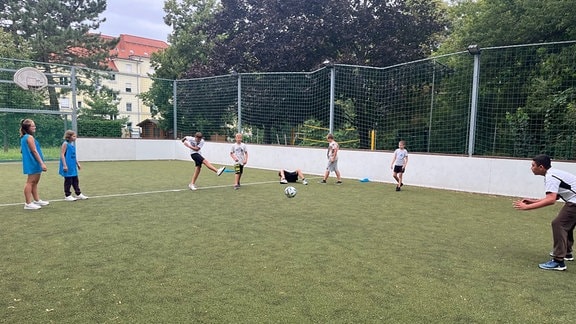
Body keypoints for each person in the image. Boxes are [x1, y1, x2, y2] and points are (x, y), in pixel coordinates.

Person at [513, 154, 576, 271]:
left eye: (533, 165)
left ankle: (558, 262)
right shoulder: (554, 173)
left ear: (541, 167)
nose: (531, 168)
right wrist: (532, 201)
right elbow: (555, 196)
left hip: (574, 202)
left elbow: (551, 200)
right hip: (573, 200)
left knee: (558, 224)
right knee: (567, 225)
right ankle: (567, 253)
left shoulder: (551, 176)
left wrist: (527, 207)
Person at [20, 119, 49, 210]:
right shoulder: (29, 137)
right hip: (33, 162)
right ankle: (28, 203)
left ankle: (36, 200)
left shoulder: (25, 137)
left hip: (34, 162)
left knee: (35, 182)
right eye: (32, 126)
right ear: (28, 128)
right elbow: (34, 151)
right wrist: (42, 163)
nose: (34, 127)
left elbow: (22, 150)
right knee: (30, 182)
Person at [59, 130, 88, 201]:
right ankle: (67, 195)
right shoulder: (65, 144)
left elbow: (74, 156)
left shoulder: (72, 145)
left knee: (75, 180)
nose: (75, 137)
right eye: (74, 136)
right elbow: (62, 154)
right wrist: (64, 165)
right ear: (69, 137)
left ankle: (78, 193)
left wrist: (77, 163)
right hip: (67, 165)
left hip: (72, 166)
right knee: (68, 180)